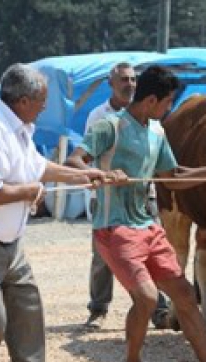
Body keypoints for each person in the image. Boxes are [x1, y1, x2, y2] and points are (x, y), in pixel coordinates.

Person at [0, 63, 107, 362]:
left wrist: (83, 176)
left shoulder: (19, 130)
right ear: (24, 100)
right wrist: (29, 191)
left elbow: (38, 167)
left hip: (9, 245)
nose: (44, 107)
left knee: (29, 318)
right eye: (42, 100)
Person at [66, 65, 206, 362]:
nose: (169, 109)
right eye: (167, 103)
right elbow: (73, 162)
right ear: (152, 100)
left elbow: (173, 177)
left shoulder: (157, 132)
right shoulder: (109, 127)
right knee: (148, 298)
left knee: (186, 297)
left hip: (148, 227)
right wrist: (101, 174)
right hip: (114, 229)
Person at [81, 62, 170, 330]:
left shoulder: (153, 122)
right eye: (123, 80)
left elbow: (167, 170)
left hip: (145, 197)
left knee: (153, 251)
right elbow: (83, 158)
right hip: (108, 199)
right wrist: (101, 175)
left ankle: (160, 310)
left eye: (133, 79)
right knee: (102, 257)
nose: (129, 84)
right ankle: (98, 309)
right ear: (111, 83)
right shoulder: (100, 118)